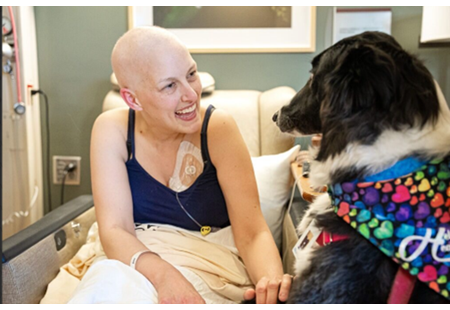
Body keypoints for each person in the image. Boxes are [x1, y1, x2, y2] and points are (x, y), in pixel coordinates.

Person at [73, 26, 291, 304]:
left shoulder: (218, 128)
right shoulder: (111, 130)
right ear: (132, 99)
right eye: (169, 85)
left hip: (211, 270)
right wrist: (167, 277)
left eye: (191, 74)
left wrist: (270, 287)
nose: (191, 94)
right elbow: (116, 230)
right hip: (133, 264)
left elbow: (252, 232)